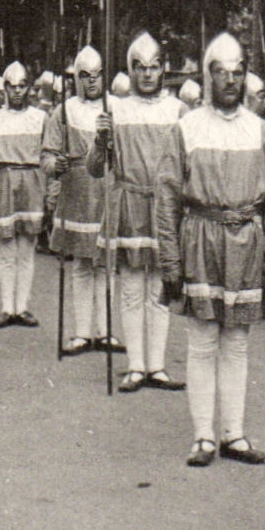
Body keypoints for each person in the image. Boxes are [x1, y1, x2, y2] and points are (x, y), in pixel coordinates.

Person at [154, 33, 265, 466]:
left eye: (238, 72)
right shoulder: (187, 127)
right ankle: (204, 436)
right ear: (208, 75)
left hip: (247, 243)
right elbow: (168, 198)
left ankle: (234, 434)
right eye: (222, 72)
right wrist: (170, 260)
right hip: (201, 240)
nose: (231, 80)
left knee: (238, 342)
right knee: (203, 340)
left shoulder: (261, 130)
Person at [91, 32, 186, 390]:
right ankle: (134, 365)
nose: (147, 74)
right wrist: (101, 140)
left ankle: (157, 366)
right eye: (139, 68)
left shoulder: (177, 110)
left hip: (164, 206)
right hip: (129, 202)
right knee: (132, 287)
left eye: (153, 67)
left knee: (161, 289)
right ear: (131, 70)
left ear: (164, 69)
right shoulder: (115, 108)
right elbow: (95, 167)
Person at [46, 47, 111, 355]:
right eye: (85, 76)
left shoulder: (114, 108)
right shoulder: (64, 110)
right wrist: (53, 166)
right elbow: (47, 154)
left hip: (106, 192)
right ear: (76, 78)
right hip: (77, 190)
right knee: (82, 264)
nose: (92, 82)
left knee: (105, 263)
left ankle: (106, 330)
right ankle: (82, 332)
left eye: (97, 75)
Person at [0, 62, 47, 328]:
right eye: (12, 86)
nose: (17, 91)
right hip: (2, 181)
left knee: (26, 250)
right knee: (7, 250)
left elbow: (52, 149)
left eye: (22, 86)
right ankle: (7, 307)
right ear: (4, 88)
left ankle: (22, 307)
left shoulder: (40, 118)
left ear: (29, 88)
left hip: (31, 182)